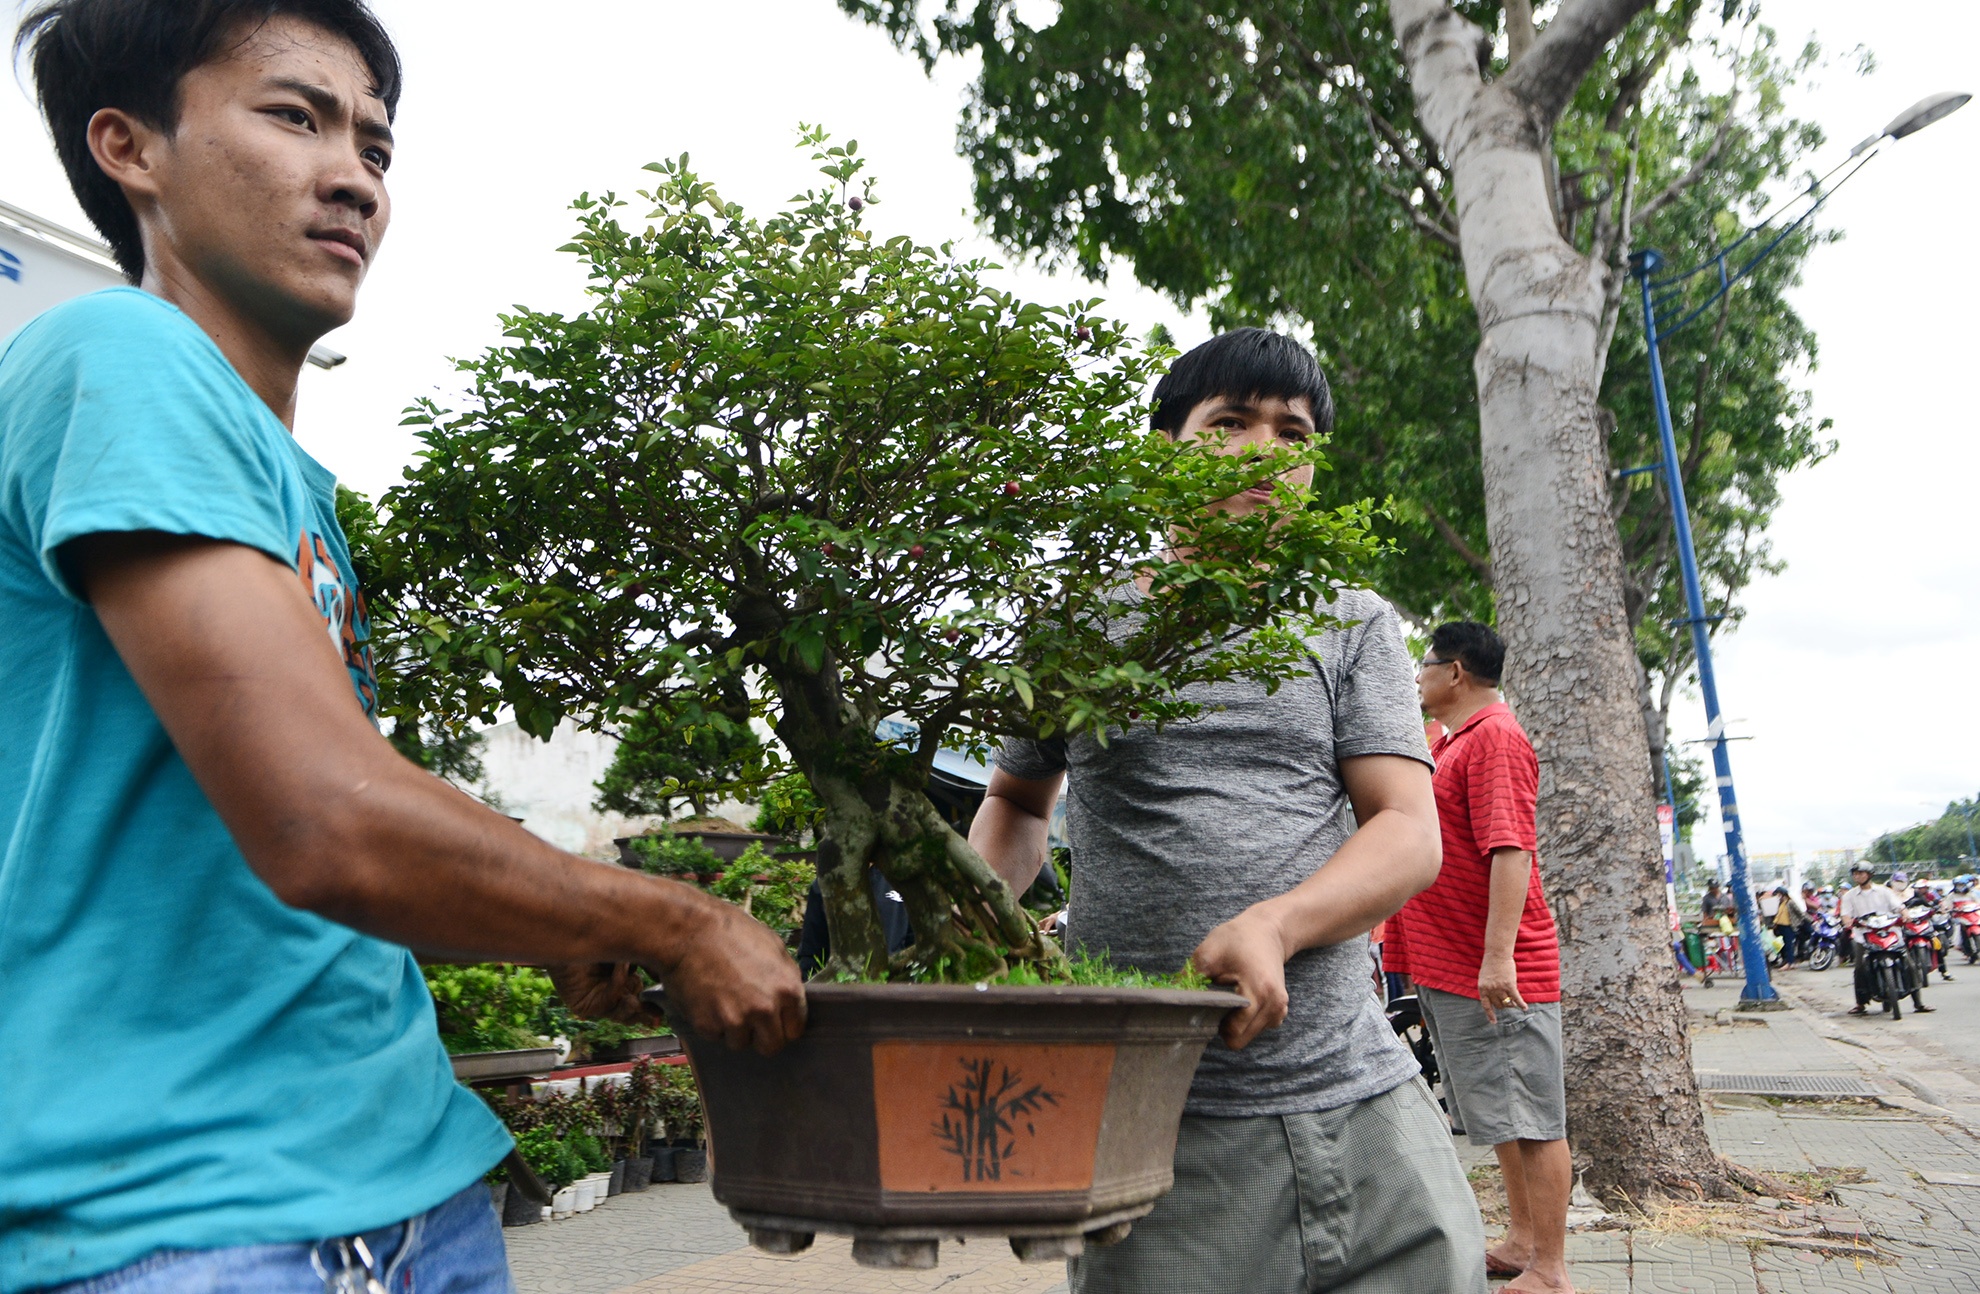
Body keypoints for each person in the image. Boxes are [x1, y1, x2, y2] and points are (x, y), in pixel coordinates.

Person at [1, 5, 805, 1291]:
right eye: (293, 116)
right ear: (128, 147)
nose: (353, 177)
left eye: (377, 146)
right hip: (192, 1216)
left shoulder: (282, 473)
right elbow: (328, 820)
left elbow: (242, 868)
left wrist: (541, 920)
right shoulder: (122, 352)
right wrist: (677, 921)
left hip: (405, 1192)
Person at [970, 329, 1484, 1293]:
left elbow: (1409, 830)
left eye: (1292, 434)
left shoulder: (1353, 621)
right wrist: (972, 936)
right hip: (1155, 1115)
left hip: (1360, 1094)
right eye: (1231, 422)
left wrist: (1275, 924)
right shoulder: (1077, 623)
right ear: (1166, 451)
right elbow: (1015, 804)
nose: (1263, 451)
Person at [1395, 622, 1573, 1294]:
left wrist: (1498, 958)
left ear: (1458, 671)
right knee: (1501, 1113)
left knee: (1531, 1115)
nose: (1419, 676)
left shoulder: (1495, 738)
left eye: (1427, 663)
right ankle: (1524, 1241)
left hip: (1497, 969)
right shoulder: (1448, 741)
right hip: (1450, 962)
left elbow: (1510, 850)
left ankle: (1552, 1270)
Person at [1841, 865, 1921, 1015]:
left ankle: (1918, 1003)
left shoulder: (1884, 891)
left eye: (1860, 873)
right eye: (1855, 874)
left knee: (1910, 964)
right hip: (1864, 934)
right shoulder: (1849, 896)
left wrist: (1905, 914)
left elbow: (1899, 907)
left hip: (1889, 931)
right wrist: (1848, 921)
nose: (1857, 876)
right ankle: (1860, 1003)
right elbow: (1845, 914)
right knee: (1859, 968)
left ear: (1870, 874)